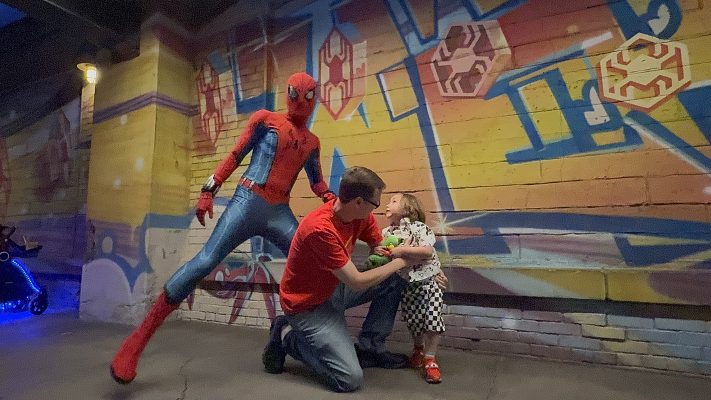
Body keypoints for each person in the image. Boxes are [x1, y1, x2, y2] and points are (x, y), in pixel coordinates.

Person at [110, 72, 335, 384]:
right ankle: (137, 341)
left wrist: (333, 198)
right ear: (288, 93)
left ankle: (288, 332)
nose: (300, 103)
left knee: (312, 262)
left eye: (307, 96)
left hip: (279, 211)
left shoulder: (312, 143)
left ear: (314, 98)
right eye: (295, 94)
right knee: (205, 261)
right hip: (247, 201)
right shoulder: (266, 119)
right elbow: (235, 154)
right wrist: (209, 190)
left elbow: (317, 182)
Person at [261, 166, 433, 392]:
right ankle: (286, 335)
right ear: (358, 202)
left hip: (334, 289)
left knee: (393, 279)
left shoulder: (360, 216)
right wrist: (401, 262)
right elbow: (356, 281)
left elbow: (377, 244)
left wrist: (428, 268)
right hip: (308, 306)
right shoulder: (320, 229)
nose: (377, 208)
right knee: (348, 379)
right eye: (375, 203)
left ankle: (371, 348)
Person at [382, 193, 445, 384]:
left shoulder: (419, 228)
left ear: (408, 209)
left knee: (433, 320)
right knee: (414, 322)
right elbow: (386, 256)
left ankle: (430, 359)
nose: (387, 204)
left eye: (394, 201)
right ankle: (418, 349)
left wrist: (401, 251)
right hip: (407, 285)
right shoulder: (387, 233)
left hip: (428, 283)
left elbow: (427, 252)